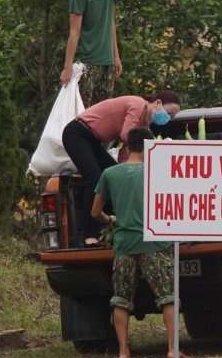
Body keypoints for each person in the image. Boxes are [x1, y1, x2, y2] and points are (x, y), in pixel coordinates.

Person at [90, 127, 178, 358]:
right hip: (155, 243)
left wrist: (110, 219)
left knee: (121, 298)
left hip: (124, 245)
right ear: (151, 147)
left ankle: (123, 352)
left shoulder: (110, 174)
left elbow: (95, 212)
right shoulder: (160, 172)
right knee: (168, 296)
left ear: (127, 147)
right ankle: (172, 349)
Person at [61, 89, 181, 246]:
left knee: (113, 179)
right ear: (158, 103)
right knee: (97, 180)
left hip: (93, 141)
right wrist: (150, 145)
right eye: (169, 112)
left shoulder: (144, 123)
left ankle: (111, 228)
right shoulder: (138, 105)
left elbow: (127, 152)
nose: (167, 118)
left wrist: (127, 172)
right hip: (78, 134)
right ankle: (89, 236)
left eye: (171, 117)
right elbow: (126, 135)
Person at [59, 0, 125, 101]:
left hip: (107, 61)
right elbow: (74, 32)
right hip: (86, 63)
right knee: (84, 114)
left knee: (104, 112)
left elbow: (111, 20)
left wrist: (115, 56)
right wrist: (67, 68)